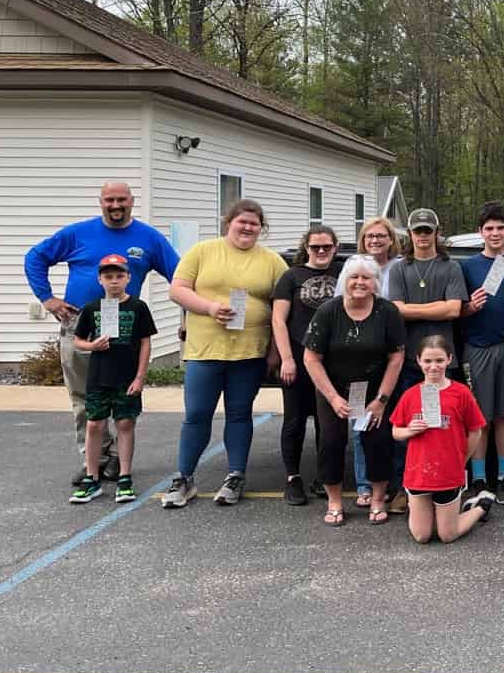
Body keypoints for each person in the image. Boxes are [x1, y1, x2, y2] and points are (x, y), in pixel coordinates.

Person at [24, 181, 178, 485]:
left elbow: (180, 275)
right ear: (101, 202)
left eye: (121, 199)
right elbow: (35, 257)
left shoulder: (149, 239)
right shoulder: (77, 233)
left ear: (132, 201)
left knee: (123, 395)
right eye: (110, 200)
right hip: (80, 322)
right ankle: (94, 458)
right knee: (84, 396)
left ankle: (119, 461)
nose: (116, 205)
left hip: (127, 327)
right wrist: (47, 298)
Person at [163, 199, 287, 509]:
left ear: (261, 228)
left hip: (249, 352)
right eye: (241, 222)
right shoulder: (203, 251)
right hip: (205, 350)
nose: (247, 227)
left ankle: (235, 476)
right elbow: (177, 289)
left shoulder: (272, 261)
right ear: (228, 223)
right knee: (196, 414)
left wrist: (275, 351)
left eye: (254, 224)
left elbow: (284, 308)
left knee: (239, 413)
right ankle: (184, 478)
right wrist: (209, 307)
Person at [302, 255, 405, 527]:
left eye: (366, 278)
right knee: (331, 442)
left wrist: (382, 400)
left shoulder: (387, 312)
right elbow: (311, 358)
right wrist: (333, 397)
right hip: (333, 389)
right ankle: (334, 501)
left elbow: (396, 357)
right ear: (345, 281)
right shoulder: (328, 311)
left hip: (374, 390)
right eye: (354, 277)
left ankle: (378, 498)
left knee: (378, 442)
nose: (360, 282)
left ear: (375, 282)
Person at [385, 208, 468, 515]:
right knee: (409, 427)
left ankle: (447, 484)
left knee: (445, 427)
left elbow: (453, 311)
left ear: (437, 232)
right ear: (410, 234)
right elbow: (395, 310)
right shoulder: (398, 269)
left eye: (427, 231)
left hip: (443, 363)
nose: (422, 236)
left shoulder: (450, 267)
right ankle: (406, 489)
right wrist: (436, 307)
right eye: (417, 231)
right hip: (409, 360)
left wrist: (412, 308)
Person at [68, 254, 157, 504]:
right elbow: (78, 339)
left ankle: (125, 477)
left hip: (126, 377)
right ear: (100, 279)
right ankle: (92, 478)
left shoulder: (138, 307)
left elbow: (145, 342)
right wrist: (92, 345)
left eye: (119, 276)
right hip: (98, 377)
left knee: (125, 423)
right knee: (94, 424)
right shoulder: (92, 308)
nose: (114, 281)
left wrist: (140, 377)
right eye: (108, 277)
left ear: (128, 277)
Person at [391, 335, 497, 543]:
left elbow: (476, 431)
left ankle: (480, 507)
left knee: (447, 535)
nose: (433, 367)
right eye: (428, 361)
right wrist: (410, 430)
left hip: (448, 471)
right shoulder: (411, 395)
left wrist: (462, 459)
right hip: (418, 472)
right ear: (418, 361)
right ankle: (422, 510)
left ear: (450, 359)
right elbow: (396, 431)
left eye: (439, 360)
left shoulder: (461, 393)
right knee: (422, 536)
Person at [460, 202, 504, 505]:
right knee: (480, 417)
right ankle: (478, 476)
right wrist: (470, 307)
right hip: (476, 347)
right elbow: (458, 310)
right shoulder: (467, 266)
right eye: (489, 228)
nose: (495, 233)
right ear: (480, 232)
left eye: (500, 228)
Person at [338, 216, 407, 508]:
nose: (375, 241)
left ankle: (395, 483)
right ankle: (365, 484)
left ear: (391, 239)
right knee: (360, 425)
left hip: (392, 355)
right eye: (370, 236)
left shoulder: (401, 267)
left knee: (392, 424)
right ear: (362, 240)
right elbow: (339, 304)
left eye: (381, 236)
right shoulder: (353, 267)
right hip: (359, 361)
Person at [271, 225, 341, 506]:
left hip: (333, 360)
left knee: (329, 423)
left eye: (326, 246)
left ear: (335, 247)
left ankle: (325, 477)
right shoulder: (292, 276)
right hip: (298, 357)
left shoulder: (344, 272)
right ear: (306, 248)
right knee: (294, 420)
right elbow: (278, 320)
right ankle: (292, 477)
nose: (321, 251)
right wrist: (287, 358)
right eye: (315, 247)